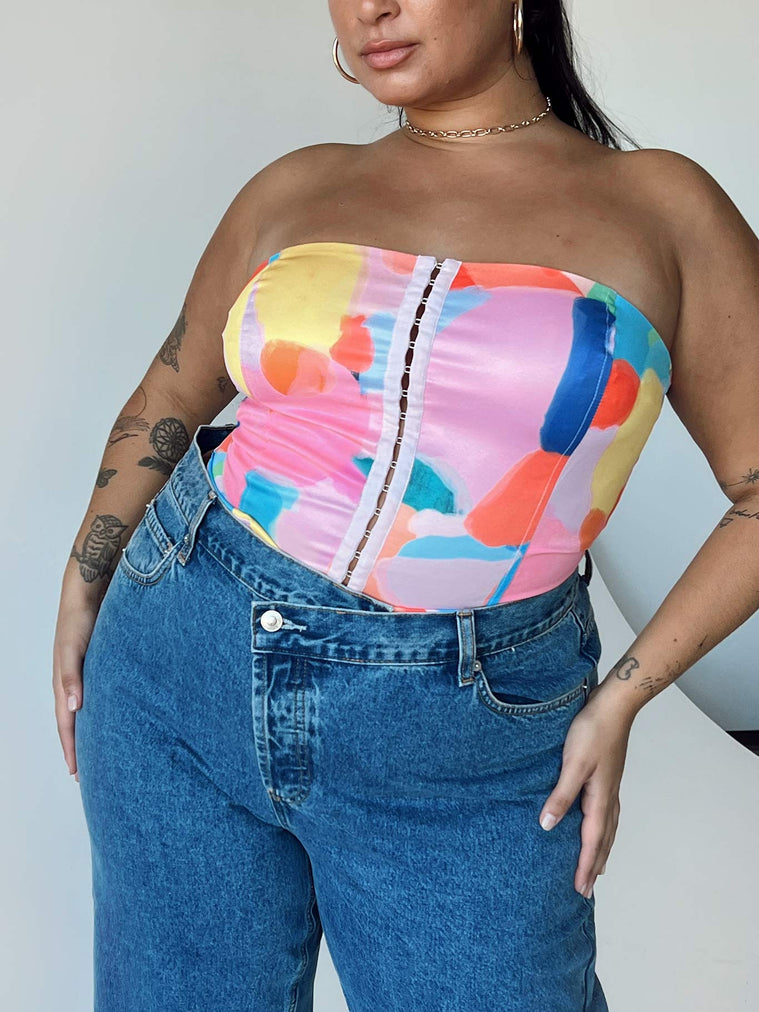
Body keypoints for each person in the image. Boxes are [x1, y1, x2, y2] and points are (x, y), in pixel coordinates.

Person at [53, 1, 759, 1009]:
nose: (369, 9)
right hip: (178, 662)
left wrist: (626, 693)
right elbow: (172, 393)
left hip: (467, 729)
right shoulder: (296, 187)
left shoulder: (660, 206)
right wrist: (86, 575)